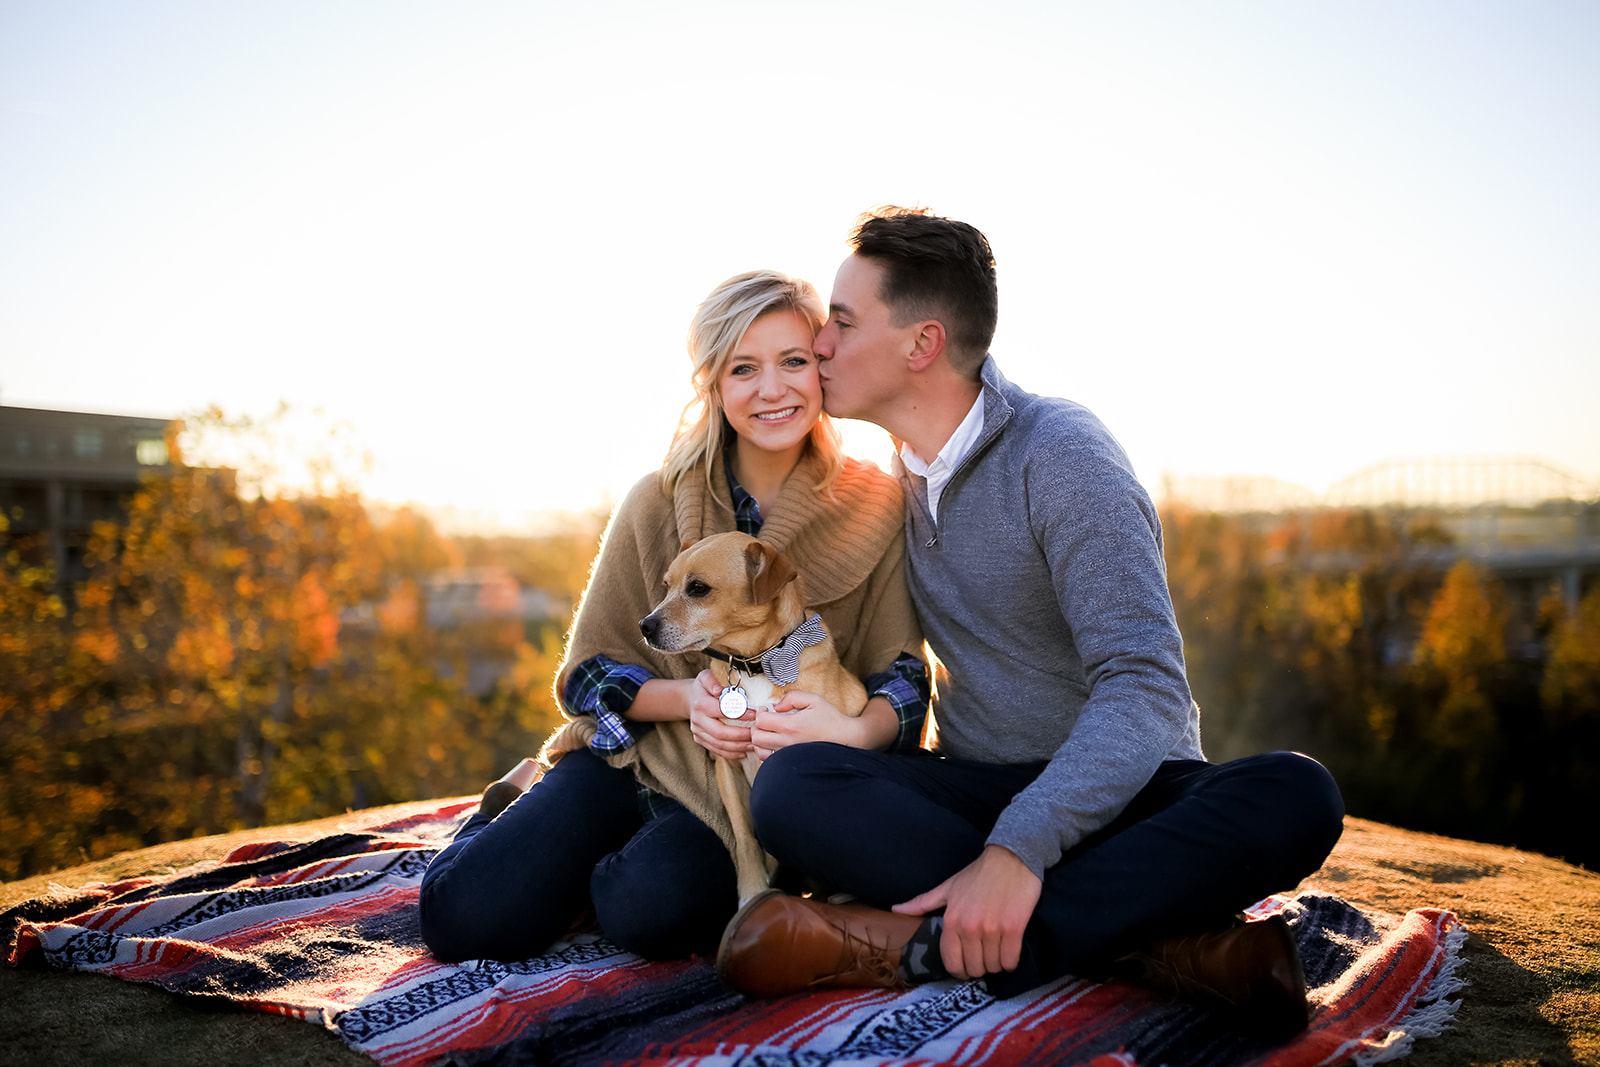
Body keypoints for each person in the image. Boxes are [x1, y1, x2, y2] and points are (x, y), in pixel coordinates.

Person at [717, 209, 1346, 1038]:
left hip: (1123, 793)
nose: (820, 343)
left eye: (841, 321)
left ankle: (915, 942)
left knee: (1298, 792)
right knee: (798, 786)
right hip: (978, 788)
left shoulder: (1061, 455)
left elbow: (1145, 686)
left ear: (921, 344)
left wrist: (1019, 851)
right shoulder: (882, 488)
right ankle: (1164, 946)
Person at [418, 269, 928, 965]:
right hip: (632, 756)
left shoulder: (876, 505)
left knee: (648, 908)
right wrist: (687, 697)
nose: (771, 388)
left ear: (823, 369)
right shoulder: (655, 501)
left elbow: (902, 677)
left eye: (794, 361)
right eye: (742, 367)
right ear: (714, 384)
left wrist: (849, 727)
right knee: (462, 919)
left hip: (733, 798)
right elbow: (583, 677)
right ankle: (510, 801)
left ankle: (585, 880)